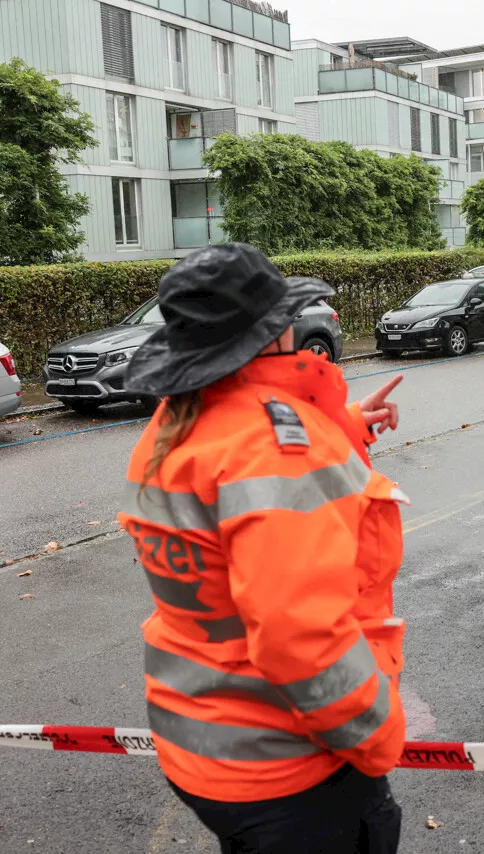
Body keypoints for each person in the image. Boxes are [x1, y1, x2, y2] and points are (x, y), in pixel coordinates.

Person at [118, 243, 410, 853]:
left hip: (201, 743)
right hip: (288, 767)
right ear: (273, 331)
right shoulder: (276, 447)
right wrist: (378, 737)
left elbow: (232, 474)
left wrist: (348, 424)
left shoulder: (177, 420)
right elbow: (298, 636)